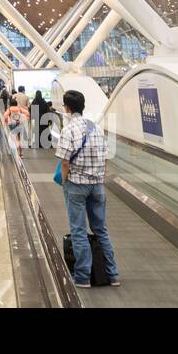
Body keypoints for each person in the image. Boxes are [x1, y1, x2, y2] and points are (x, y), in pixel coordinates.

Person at [55, 89, 120, 289]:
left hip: (77, 185)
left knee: (79, 230)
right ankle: (113, 274)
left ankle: (82, 277)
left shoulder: (69, 130)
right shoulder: (96, 128)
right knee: (101, 229)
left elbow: (65, 162)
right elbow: (106, 156)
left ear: (67, 108)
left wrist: (65, 182)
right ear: (82, 107)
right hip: (97, 185)